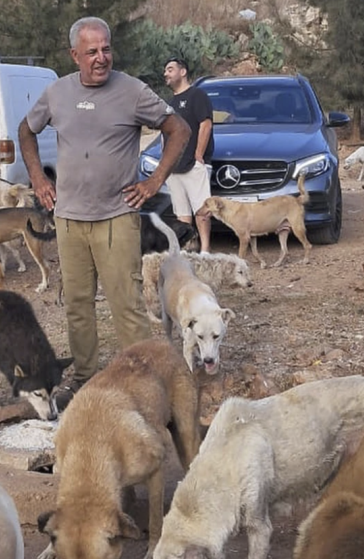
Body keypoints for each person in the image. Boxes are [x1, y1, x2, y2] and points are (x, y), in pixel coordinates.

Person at [19, 16, 190, 392]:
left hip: (116, 217)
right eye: (92, 51)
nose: (101, 58)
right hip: (68, 219)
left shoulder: (133, 91)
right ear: (74, 55)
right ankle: (85, 382)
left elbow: (179, 129)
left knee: (126, 307)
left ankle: (144, 385)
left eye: (106, 49)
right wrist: (38, 178)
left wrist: (155, 180)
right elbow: (26, 131)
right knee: (77, 307)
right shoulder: (57, 93)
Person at [163, 57, 215, 253]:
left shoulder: (197, 95)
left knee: (202, 211)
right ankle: (186, 249)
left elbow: (205, 124)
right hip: (174, 167)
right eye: (165, 71)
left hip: (193, 165)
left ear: (182, 72)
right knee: (181, 213)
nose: (165, 74)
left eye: (170, 69)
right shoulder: (170, 103)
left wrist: (199, 154)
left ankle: (205, 250)